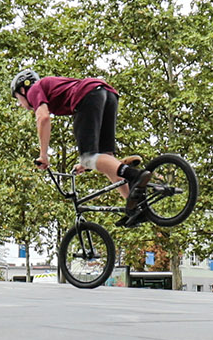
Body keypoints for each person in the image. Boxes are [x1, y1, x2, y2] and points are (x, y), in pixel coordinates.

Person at [11, 71, 149, 227]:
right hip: (107, 94)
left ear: (23, 89)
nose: (21, 105)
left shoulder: (34, 89)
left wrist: (43, 155)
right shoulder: (49, 87)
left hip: (88, 95)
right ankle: (136, 208)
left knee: (89, 157)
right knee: (106, 159)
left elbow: (43, 118)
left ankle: (134, 175)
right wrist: (85, 164)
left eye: (18, 99)